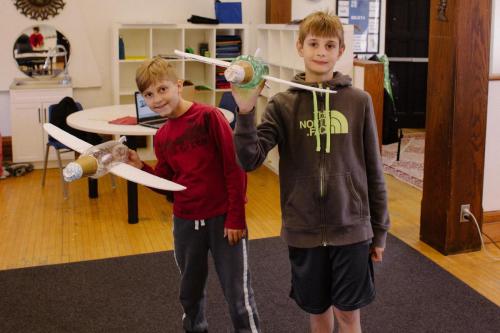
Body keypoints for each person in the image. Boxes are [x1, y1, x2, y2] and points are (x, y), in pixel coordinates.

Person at [231, 11, 390, 333]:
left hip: (352, 228)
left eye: (330, 45)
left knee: (348, 315)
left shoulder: (359, 101)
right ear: (299, 47)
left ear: (340, 52)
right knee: (317, 312)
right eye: (313, 44)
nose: (321, 51)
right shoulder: (282, 104)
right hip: (303, 228)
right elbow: (250, 160)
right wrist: (245, 111)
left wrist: (379, 228)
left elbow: (374, 168)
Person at [127, 57, 260, 333]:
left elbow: (234, 169)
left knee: (238, 297)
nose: (157, 99)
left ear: (178, 85)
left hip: (224, 221)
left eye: (162, 89)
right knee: (190, 295)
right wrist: (140, 167)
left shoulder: (209, 117)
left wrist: (236, 216)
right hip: (186, 223)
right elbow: (167, 184)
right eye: (149, 95)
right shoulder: (161, 136)